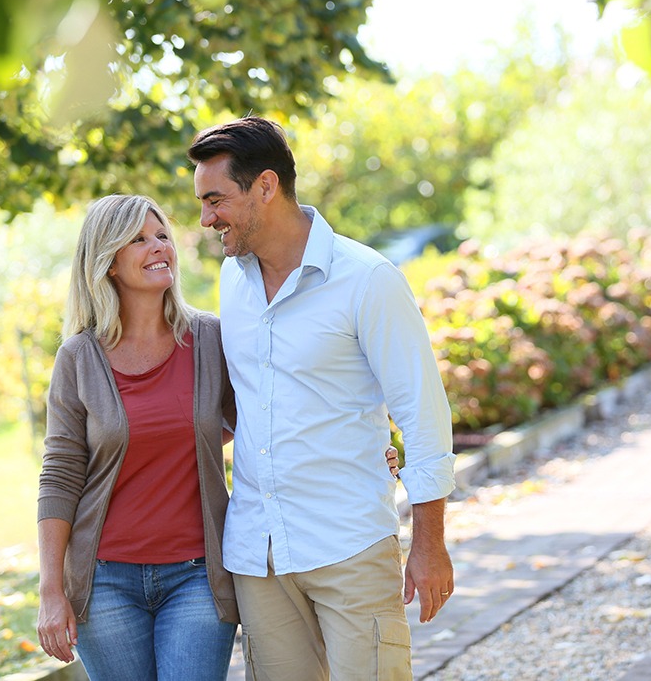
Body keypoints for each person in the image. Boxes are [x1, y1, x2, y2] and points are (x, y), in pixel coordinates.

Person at [35, 193, 403, 680]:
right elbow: (60, 475)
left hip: (198, 575)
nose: (159, 247)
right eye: (140, 240)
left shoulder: (209, 339)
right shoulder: (78, 358)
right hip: (104, 582)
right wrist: (51, 589)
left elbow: (265, 413)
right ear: (107, 263)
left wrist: (361, 446)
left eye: (163, 235)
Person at [187, 116, 457, 681]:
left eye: (216, 200)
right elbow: (249, 400)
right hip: (259, 556)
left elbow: (424, 416)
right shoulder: (232, 281)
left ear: (265, 186)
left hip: (349, 543)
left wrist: (429, 544)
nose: (207, 218)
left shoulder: (367, 279)